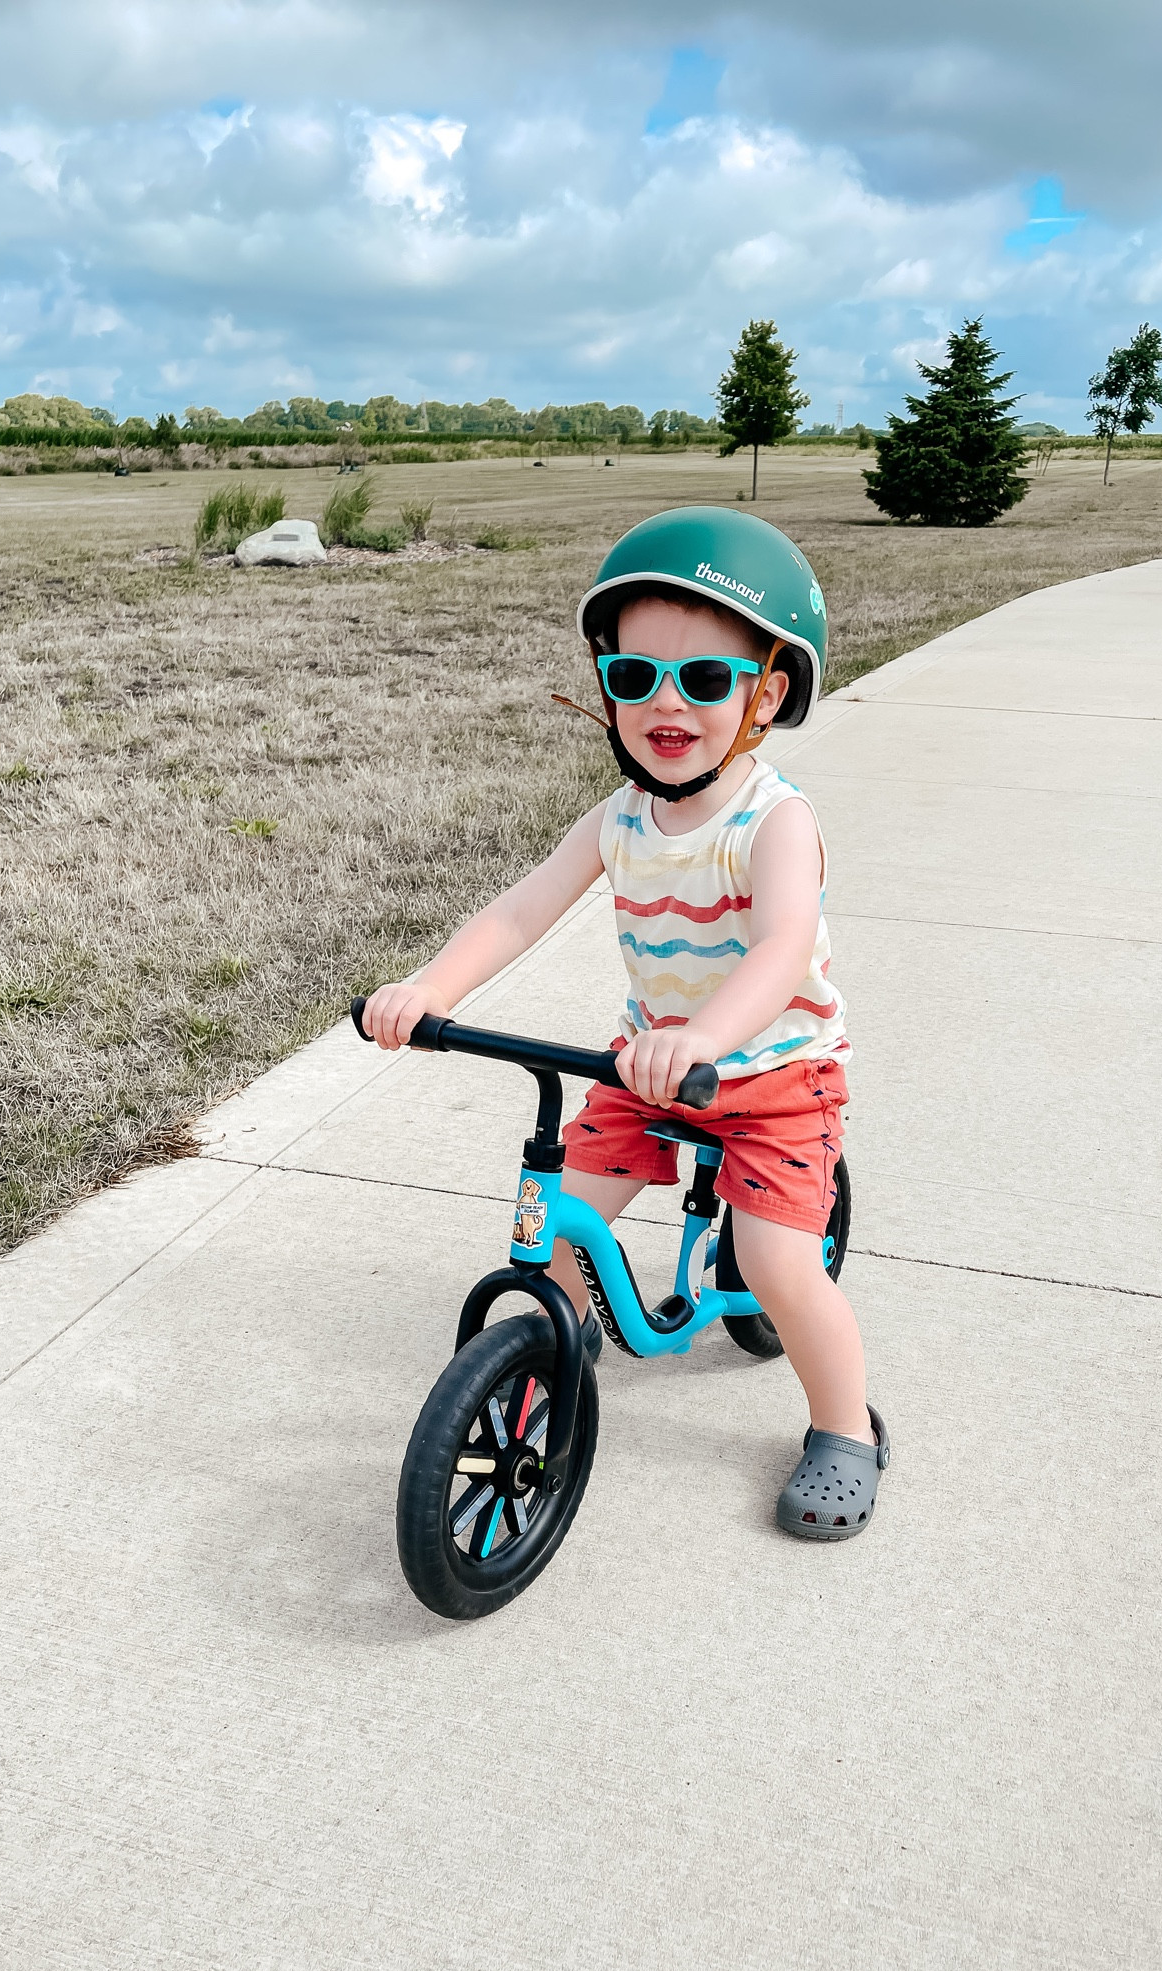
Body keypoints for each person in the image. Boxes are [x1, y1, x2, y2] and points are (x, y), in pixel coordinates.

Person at [364, 506, 889, 1540]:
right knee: (560, 1225)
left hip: (774, 1074)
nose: (666, 704)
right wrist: (430, 989)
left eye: (702, 680)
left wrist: (706, 1037)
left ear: (766, 694)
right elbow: (521, 908)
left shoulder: (773, 821)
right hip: (646, 1071)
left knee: (781, 1266)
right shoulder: (620, 817)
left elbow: (782, 948)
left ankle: (845, 1427)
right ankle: (562, 1345)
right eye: (635, 676)